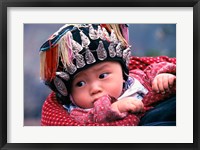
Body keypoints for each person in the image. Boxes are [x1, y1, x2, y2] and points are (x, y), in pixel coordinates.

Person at [40, 24, 176, 126]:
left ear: (123, 74)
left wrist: (163, 76)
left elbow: (153, 70)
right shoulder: (78, 113)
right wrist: (114, 108)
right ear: (70, 95)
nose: (95, 88)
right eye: (80, 83)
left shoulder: (137, 79)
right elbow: (91, 120)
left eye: (103, 75)